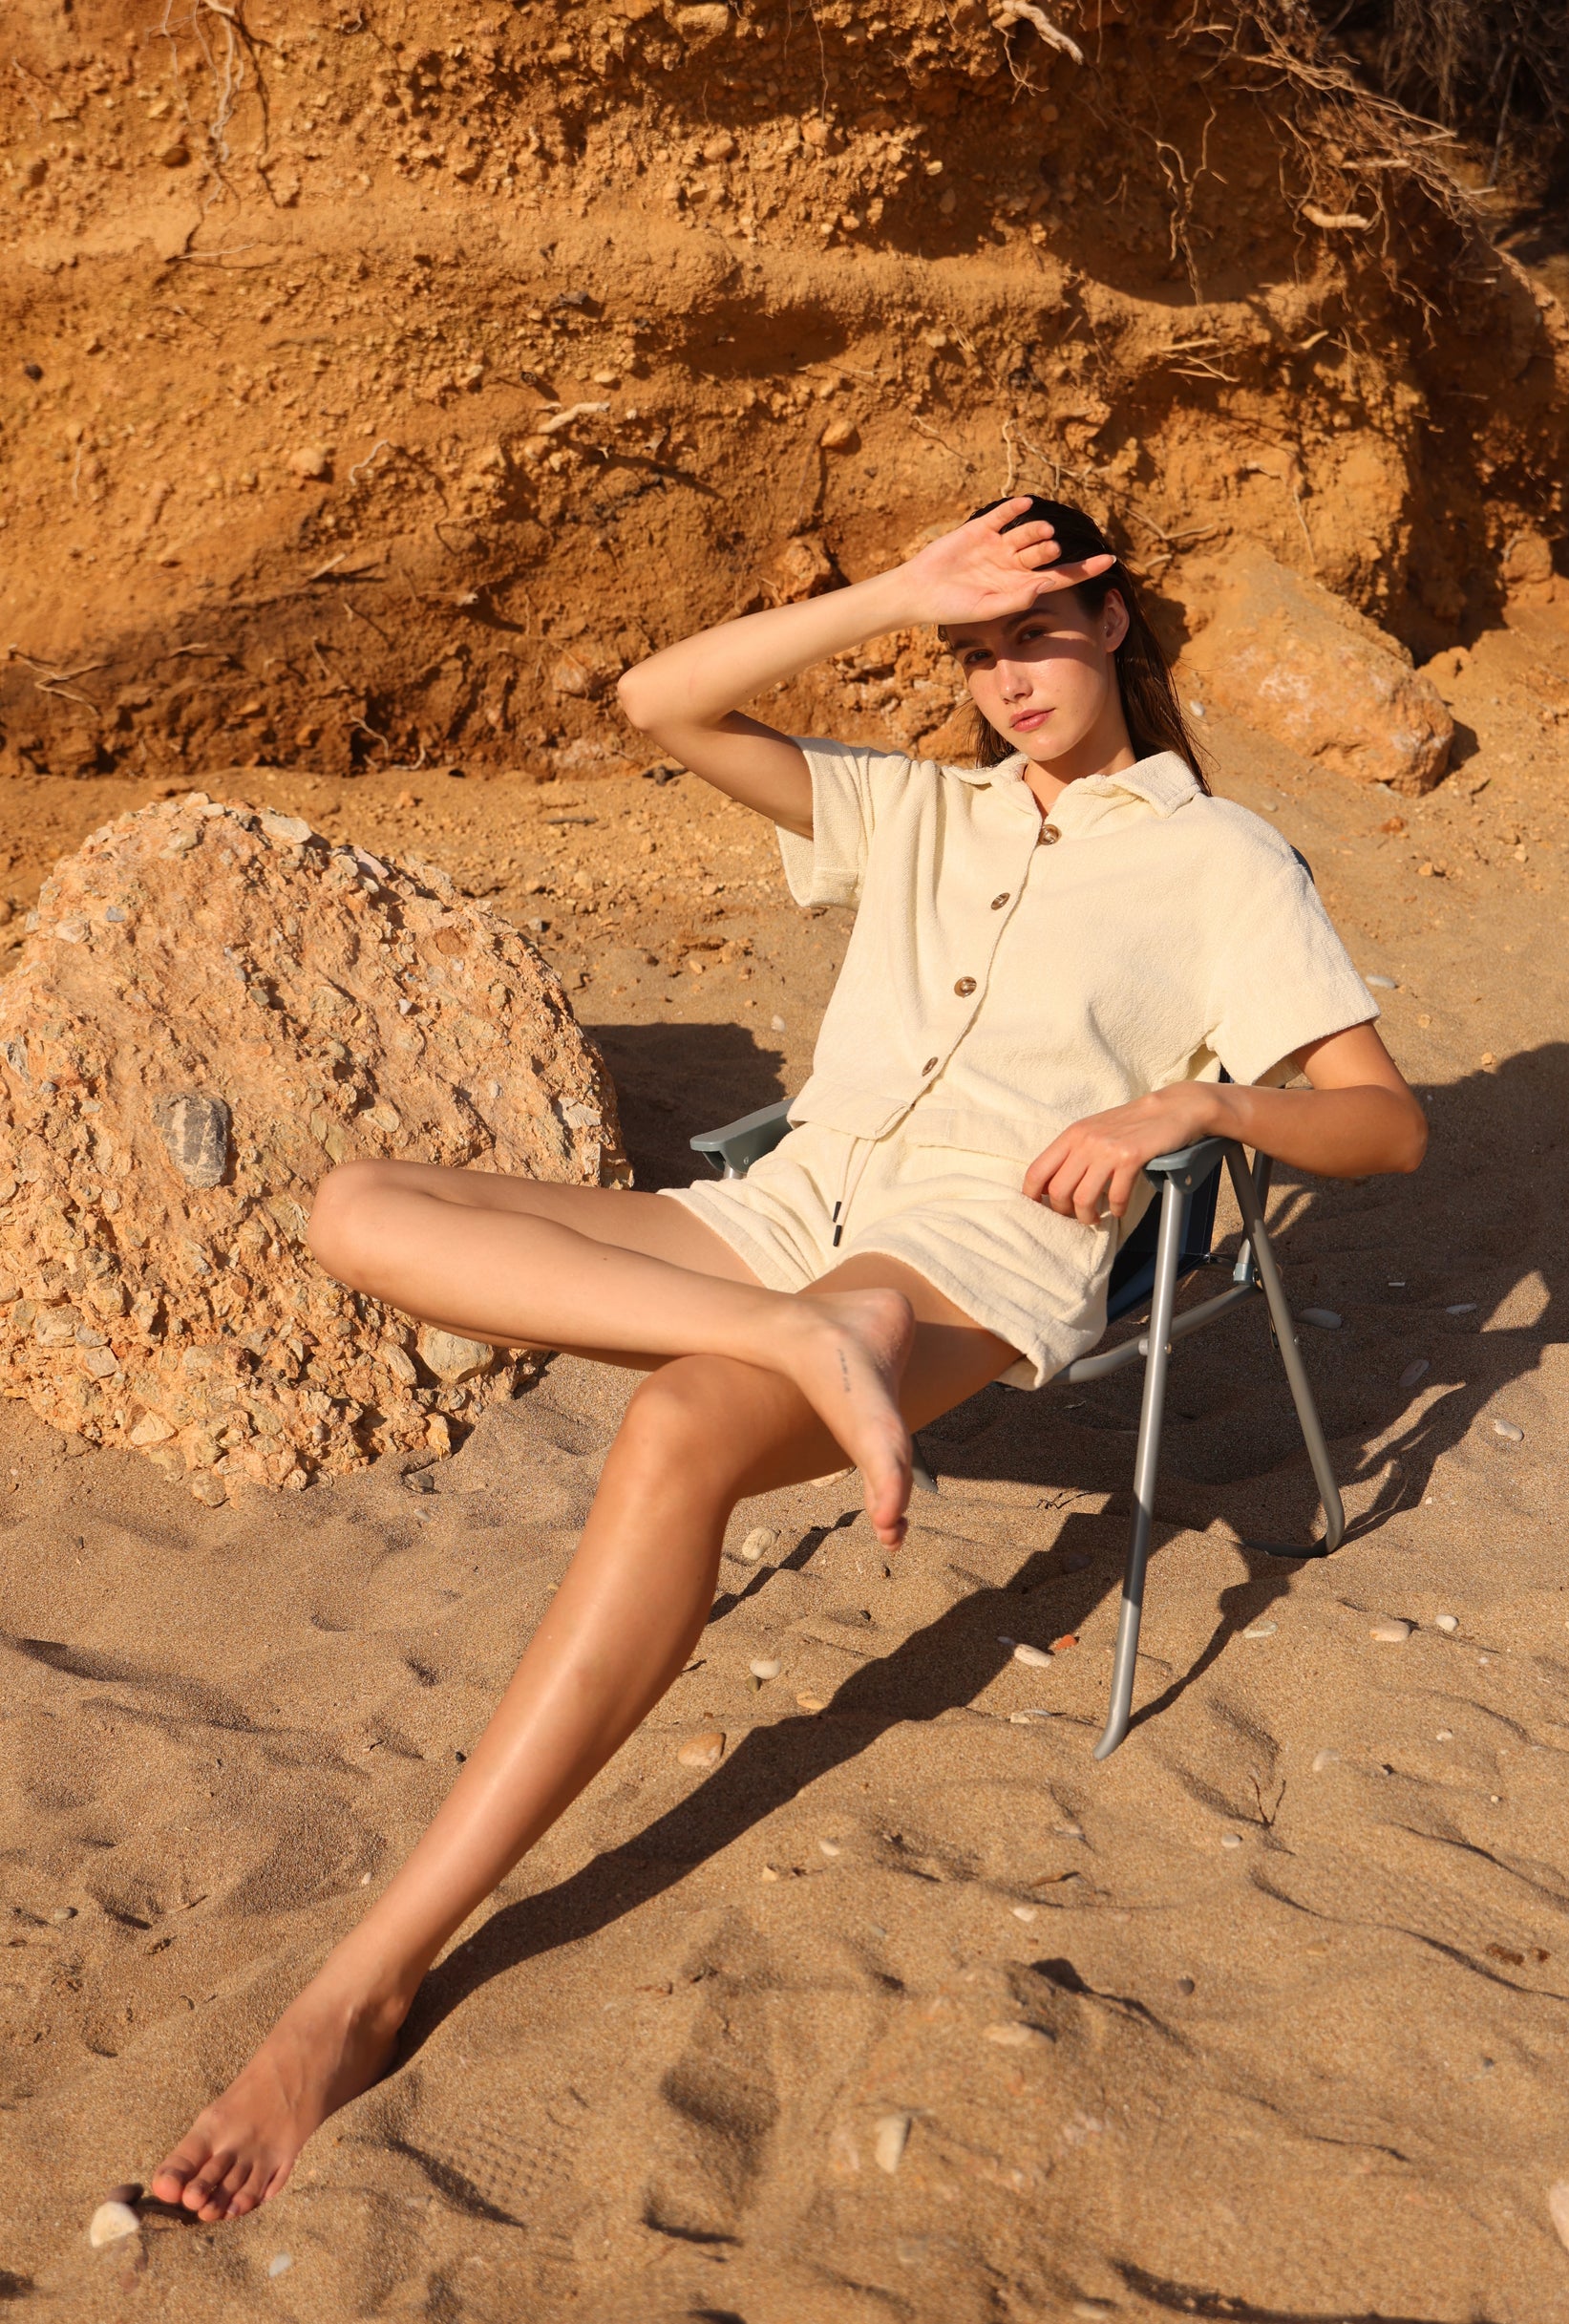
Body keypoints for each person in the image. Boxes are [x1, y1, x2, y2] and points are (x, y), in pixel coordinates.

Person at [150, 495, 1427, 2220]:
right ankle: (785, 1331)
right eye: (972, 653)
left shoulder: (1221, 860)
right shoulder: (918, 810)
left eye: (1036, 634)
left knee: (678, 1427)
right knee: (355, 1206)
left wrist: (1196, 1105)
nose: (1008, 679)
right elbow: (657, 702)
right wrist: (900, 588)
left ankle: (360, 1985)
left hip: (969, 1249)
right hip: (787, 1211)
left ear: (1114, 622)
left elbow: (1383, 1127)